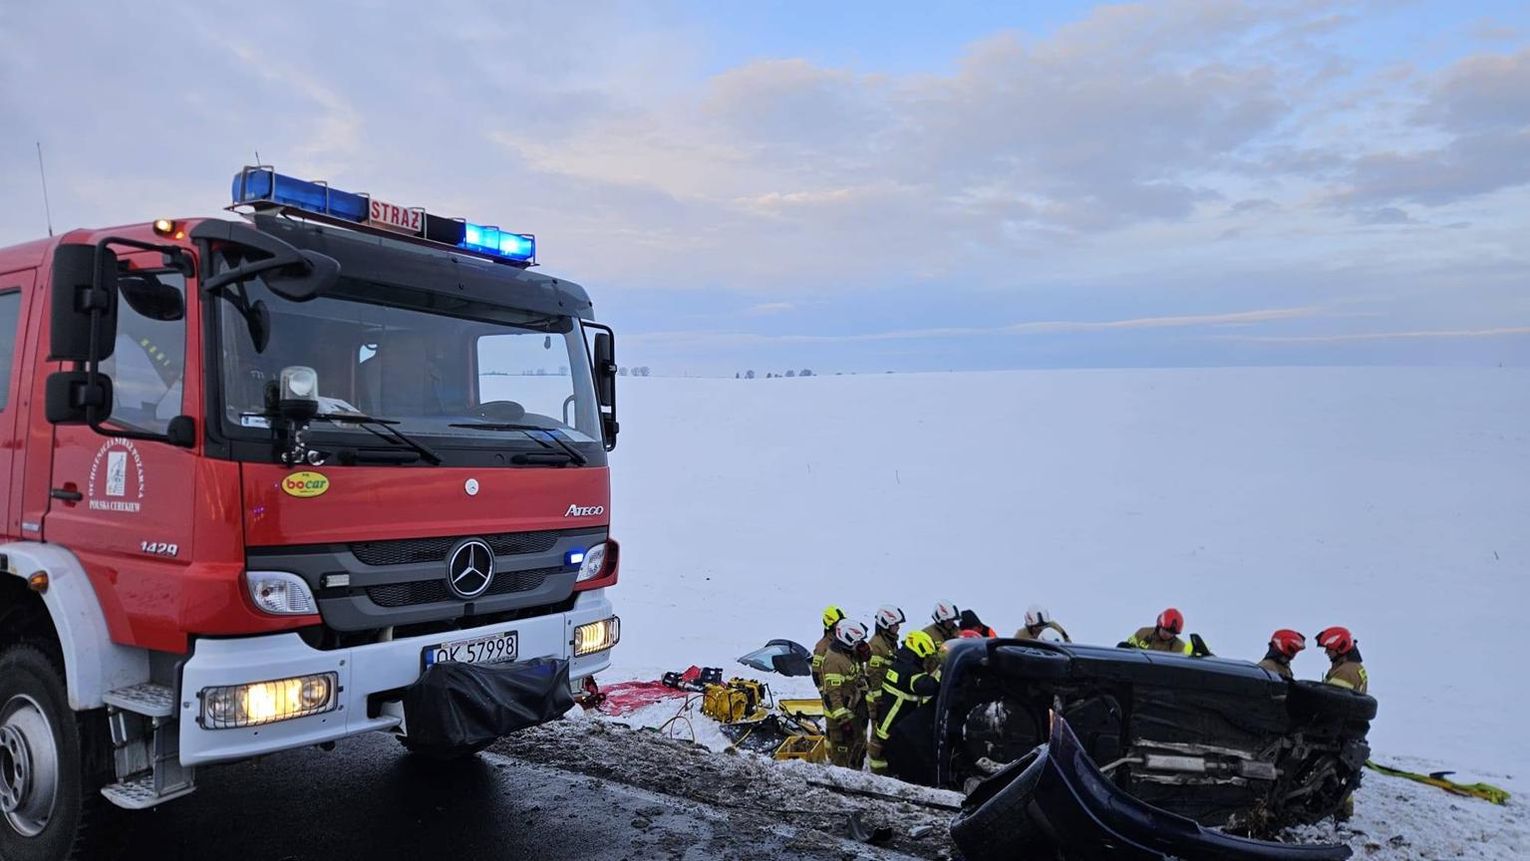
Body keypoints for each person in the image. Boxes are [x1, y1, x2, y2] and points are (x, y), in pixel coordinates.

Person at [874, 630, 942, 770]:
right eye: (926, 657)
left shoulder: (899, 664)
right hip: (893, 732)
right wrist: (941, 671)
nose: (926, 660)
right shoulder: (909, 672)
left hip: (886, 727)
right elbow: (928, 686)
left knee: (883, 763)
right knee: (893, 767)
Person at [819, 619, 870, 769]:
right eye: (857, 641)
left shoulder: (848, 652)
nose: (859, 644)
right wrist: (844, 722)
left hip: (853, 711)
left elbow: (861, 663)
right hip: (840, 720)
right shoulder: (834, 661)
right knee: (842, 757)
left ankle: (855, 769)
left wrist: (866, 651)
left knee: (857, 747)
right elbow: (832, 695)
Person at [865, 605, 904, 775]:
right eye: (895, 624)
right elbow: (874, 675)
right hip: (877, 700)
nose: (898, 627)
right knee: (878, 738)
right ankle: (878, 771)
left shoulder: (889, 642)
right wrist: (880, 701)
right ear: (886, 625)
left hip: (886, 697)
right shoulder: (876, 646)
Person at [1317, 626, 1368, 694]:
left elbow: (1332, 698)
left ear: (1340, 649)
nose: (1326, 652)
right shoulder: (1356, 666)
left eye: (1329, 649)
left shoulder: (1345, 673)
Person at [1123, 607, 1191, 654]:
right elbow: (1127, 650)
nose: (1167, 634)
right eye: (1165, 630)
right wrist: (1125, 647)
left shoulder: (1180, 647)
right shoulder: (1143, 633)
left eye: (1171, 633)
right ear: (1159, 625)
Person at [812, 605, 846, 690]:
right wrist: (823, 691)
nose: (841, 626)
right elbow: (816, 672)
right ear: (830, 625)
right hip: (833, 691)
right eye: (837, 624)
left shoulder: (847, 641)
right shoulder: (822, 646)